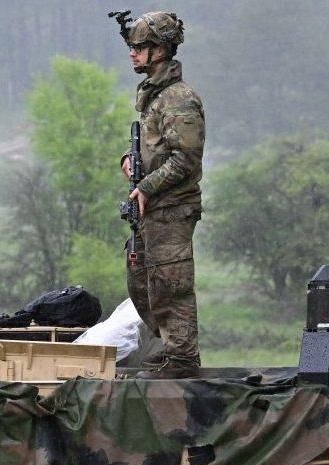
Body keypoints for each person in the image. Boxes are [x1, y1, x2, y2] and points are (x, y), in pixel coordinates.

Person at [119, 11, 205, 379]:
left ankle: (183, 359)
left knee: (171, 284)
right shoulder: (154, 97)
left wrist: (147, 186)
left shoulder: (178, 98)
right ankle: (171, 349)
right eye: (133, 47)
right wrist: (129, 161)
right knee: (142, 282)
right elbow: (156, 148)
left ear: (161, 50)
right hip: (151, 208)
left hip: (171, 207)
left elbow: (185, 158)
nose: (133, 54)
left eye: (140, 47)